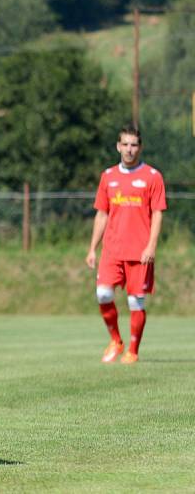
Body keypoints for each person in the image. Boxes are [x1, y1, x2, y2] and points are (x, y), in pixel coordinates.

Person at [86, 126, 166, 364]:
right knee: (103, 294)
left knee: (135, 301)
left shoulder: (153, 176)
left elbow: (158, 214)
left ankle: (132, 350)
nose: (129, 149)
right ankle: (115, 340)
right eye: (126, 144)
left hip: (139, 251)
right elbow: (101, 215)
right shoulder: (108, 176)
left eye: (134, 145)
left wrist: (151, 246)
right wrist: (92, 248)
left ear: (140, 148)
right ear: (118, 146)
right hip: (112, 250)